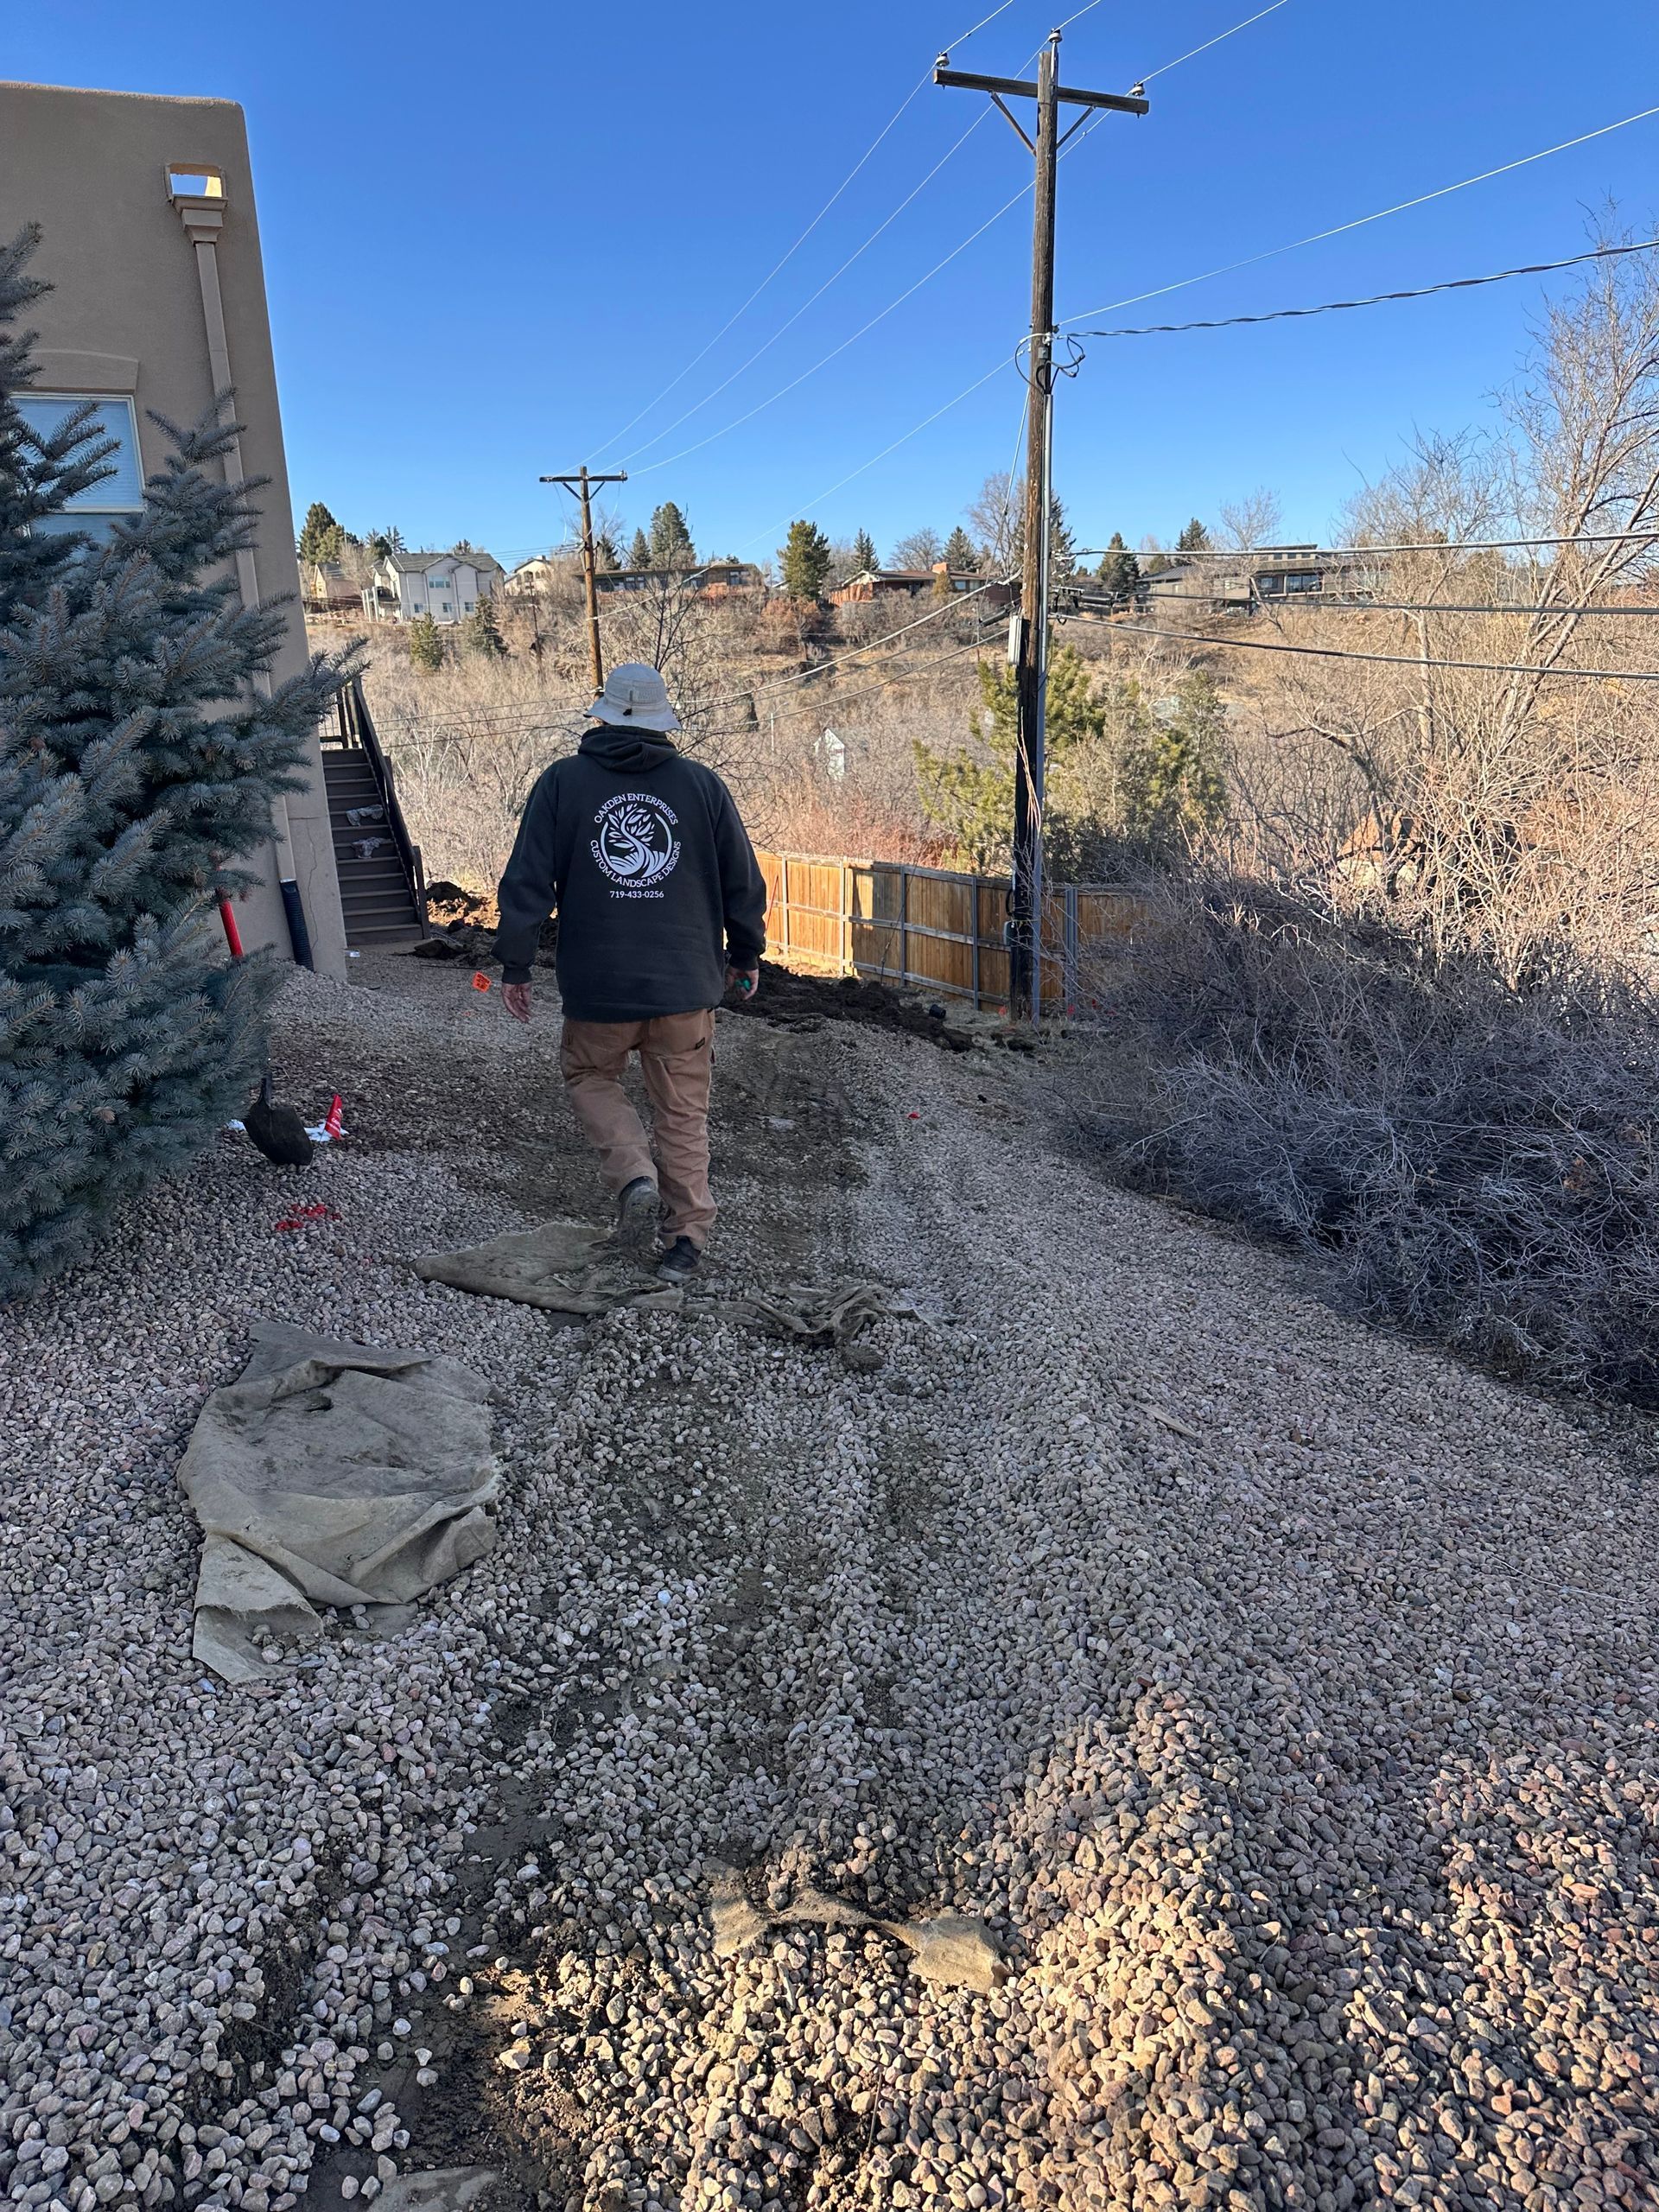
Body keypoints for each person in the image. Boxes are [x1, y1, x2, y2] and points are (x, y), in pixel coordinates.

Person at [493, 661, 766, 1281]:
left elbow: (526, 883)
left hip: (599, 987)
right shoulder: (702, 787)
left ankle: (634, 1178)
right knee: (682, 1112)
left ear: (603, 715)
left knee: (590, 1075)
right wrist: (746, 955)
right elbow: (743, 881)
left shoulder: (562, 784)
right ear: (661, 722)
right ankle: (685, 1241)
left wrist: (515, 965)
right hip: (685, 987)